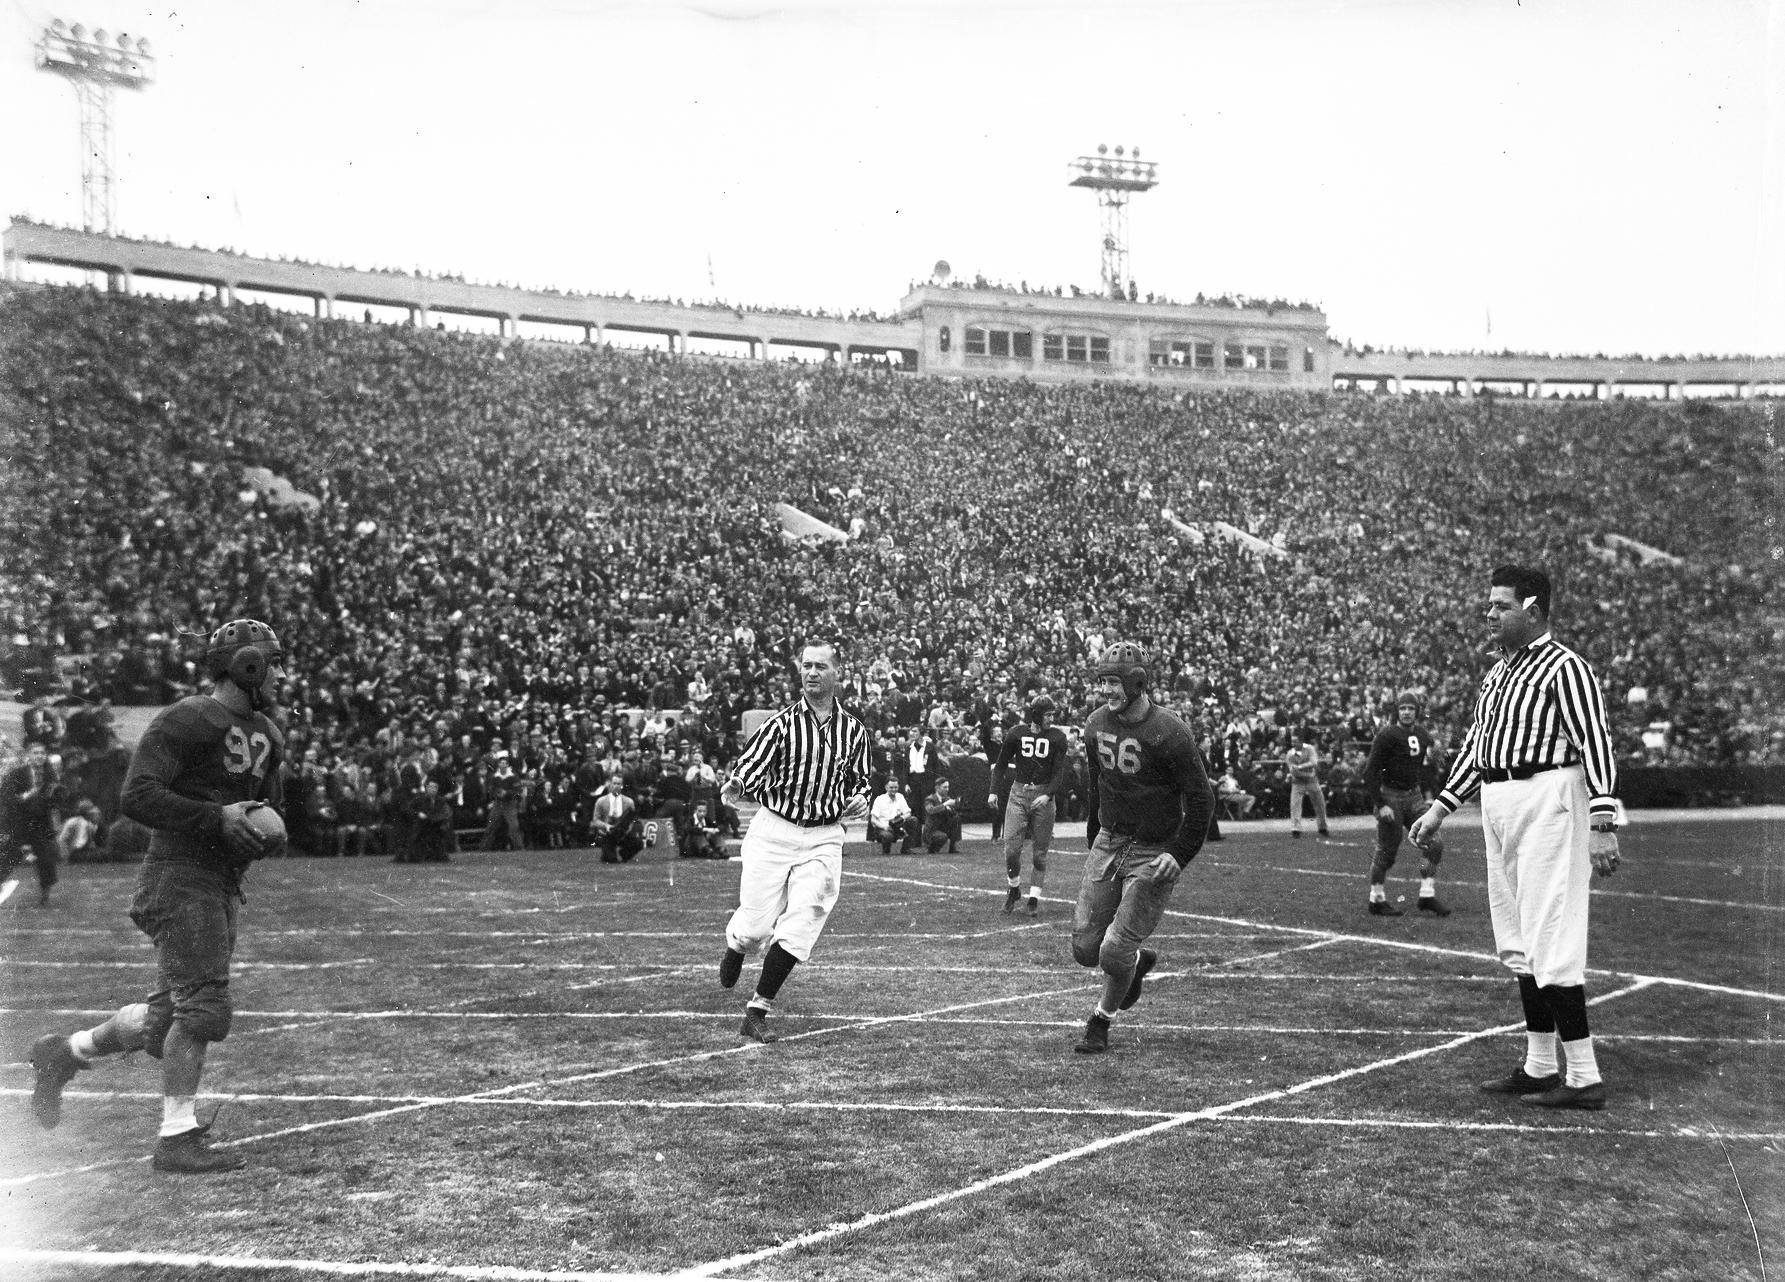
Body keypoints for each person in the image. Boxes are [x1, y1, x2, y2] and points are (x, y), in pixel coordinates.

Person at [26, 618, 286, 1173]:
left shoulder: (267, 731)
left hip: (218, 880)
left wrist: (263, 828)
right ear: (247, 665)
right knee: (204, 1009)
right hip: (178, 875)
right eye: (273, 661)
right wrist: (214, 818)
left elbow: (266, 808)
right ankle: (176, 1137)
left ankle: (63, 1053)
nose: (281, 673)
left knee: (167, 1019)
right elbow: (137, 795)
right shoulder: (189, 718)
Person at [1411, 565, 1620, 1111]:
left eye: (1500, 605)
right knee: (1519, 939)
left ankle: (1584, 1075)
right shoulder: (1498, 672)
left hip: (1548, 795)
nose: (1490, 614)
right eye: (1489, 605)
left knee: (1551, 932)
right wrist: (1439, 807)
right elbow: (1477, 745)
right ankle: (1540, 1064)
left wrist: (1603, 822)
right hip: (1499, 801)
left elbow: (1594, 739)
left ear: (1533, 609)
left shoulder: (1565, 667)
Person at [717, 638, 871, 1044]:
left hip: (823, 834)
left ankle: (757, 1009)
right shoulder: (782, 724)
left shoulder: (854, 730)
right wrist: (737, 782)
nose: (812, 673)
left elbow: (863, 780)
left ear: (838, 673)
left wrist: (860, 798)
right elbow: (751, 763)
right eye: (806, 666)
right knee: (755, 928)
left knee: (805, 918)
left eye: (820, 666)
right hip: (775, 829)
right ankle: (737, 943)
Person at [1071, 641, 1212, 1055]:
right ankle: (1137, 962)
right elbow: (1098, 788)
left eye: (1114, 682)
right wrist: (1093, 841)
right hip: (1110, 840)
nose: (1108, 691)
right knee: (1084, 948)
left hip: (1154, 848)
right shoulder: (1096, 724)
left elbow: (1201, 799)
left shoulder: (1168, 730)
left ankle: (1100, 1019)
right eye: (1104, 683)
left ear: (1137, 682)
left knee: (1114, 948)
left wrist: (1179, 853)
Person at [1363, 691, 1448, 917]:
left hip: (1414, 796)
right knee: (1387, 851)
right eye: (1403, 708)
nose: (1407, 712)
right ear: (1397, 712)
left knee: (1434, 843)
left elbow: (1424, 766)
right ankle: (1376, 899)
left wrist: (1429, 792)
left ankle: (1426, 895)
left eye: (1411, 708)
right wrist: (1380, 804)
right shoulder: (1386, 735)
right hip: (1390, 796)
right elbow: (1369, 771)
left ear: (1417, 711)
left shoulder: (1421, 734)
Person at [989, 695, 1069, 915]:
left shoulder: (1058, 737)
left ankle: (1033, 899)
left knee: (1039, 854)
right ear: (1036, 714)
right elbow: (1001, 765)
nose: (1051, 718)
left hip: (1044, 794)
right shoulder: (1016, 733)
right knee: (1011, 849)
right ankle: (1014, 888)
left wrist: (1049, 794)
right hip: (1019, 792)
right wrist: (993, 791)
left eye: (1053, 714)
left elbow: (1058, 772)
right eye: (1048, 714)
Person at [1, 741, 64, 906]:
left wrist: (54, 796)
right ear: (29, 756)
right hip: (19, 822)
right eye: (35, 753)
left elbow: (56, 801)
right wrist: (25, 797)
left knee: (46, 859)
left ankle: (45, 894)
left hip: (40, 824)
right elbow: (6, 796)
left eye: (42, 753)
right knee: (9, 856)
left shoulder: (50, 774)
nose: (39, 756)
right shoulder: (17, 774)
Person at [1279, 732, 1331, 841]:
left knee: (1320, 804)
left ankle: (1323, 827)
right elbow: (1294, 772)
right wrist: (1308, 773)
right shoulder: (1290, 754)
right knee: (1295, 806)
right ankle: (1296, 829)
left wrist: (1300, 766)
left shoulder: (1310, 748)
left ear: (1301, 741)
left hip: (1312, 781)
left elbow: (1314, 762)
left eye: (1295, 741)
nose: (1293, 743)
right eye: (1292, 741)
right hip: (1298, 782)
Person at [590, 775, 643, 863]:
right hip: (606, 834)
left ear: (622, 785)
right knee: (612, 860)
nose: (616, 786)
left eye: (619, 784)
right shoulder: (601, 801)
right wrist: (606, 826)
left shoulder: (629, 802)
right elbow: (595, 821)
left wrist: (629, 828)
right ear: (610, 785)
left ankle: (624, 854)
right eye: (614, 783)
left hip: (623, 834)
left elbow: (633, 819)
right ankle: (608, 854)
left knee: (638, 844)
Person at [867, 776, 914, 854]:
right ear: (886, 787)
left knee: (913, 820)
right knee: (887, 836)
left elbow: (908, 813)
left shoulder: (900, 797)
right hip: (883, 828)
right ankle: (886, 851)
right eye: (891, 787)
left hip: (897, 826)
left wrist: (901, 818)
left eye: (896, 787)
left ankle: (906, 849)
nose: (894, 790)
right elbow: (873, 820)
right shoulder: (879, 799)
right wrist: (884, 827)